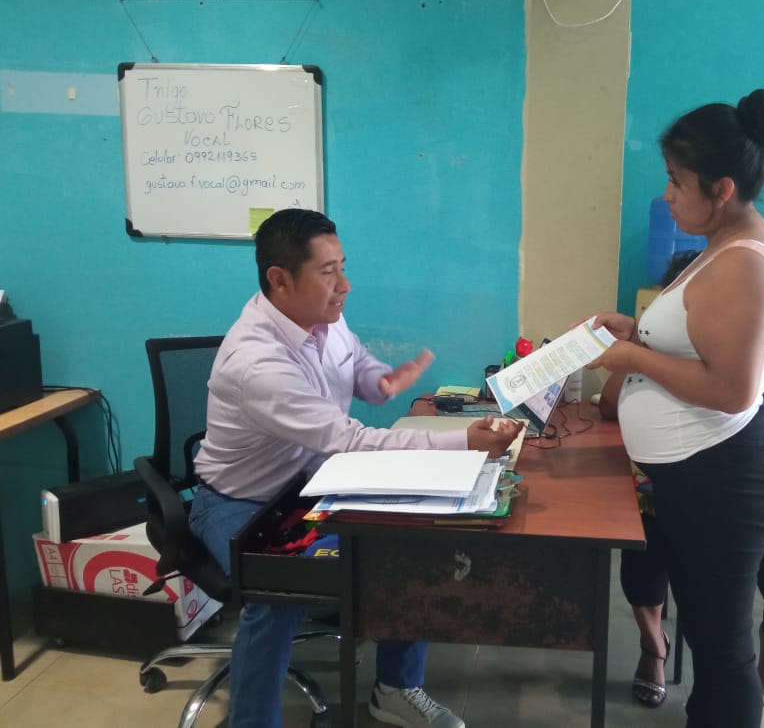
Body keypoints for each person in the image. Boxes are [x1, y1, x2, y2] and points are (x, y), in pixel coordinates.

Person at [189, 208, 523, 728]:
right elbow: (347, 440)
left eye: (342, 267)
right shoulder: (258, 363)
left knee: (410, 539)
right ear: (280, 280)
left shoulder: (323, 315)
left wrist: (379, 380)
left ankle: (396, 688)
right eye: (328, 272)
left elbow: (354, 361)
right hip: (241, 504)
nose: (344, 285)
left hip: (312, 483)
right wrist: (463, 442)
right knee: (278, 592)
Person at [585, 89, 764, 727]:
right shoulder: (724, 243)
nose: (668, 195)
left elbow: (731, 390)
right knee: (708, 634)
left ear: (721, 188)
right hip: (698, 474)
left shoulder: (742, 263)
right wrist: (635, 331)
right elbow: (700, 341)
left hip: (725, 479)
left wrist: (632, 357)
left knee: (722, 649)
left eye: (678, 182)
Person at [599, 250, 764, 709]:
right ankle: (654, 646)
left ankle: (760, 685)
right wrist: (637, 351)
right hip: (682, 496)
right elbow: (608, 405)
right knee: (642, 555)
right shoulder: (660, 355)